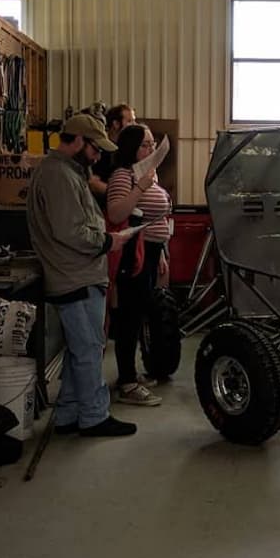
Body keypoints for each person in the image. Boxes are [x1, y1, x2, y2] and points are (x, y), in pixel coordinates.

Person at [26, 112, 138, 438]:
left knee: (81, 348)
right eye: (94, 148)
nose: (99, 155)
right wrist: (108, 241)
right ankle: (93, 416)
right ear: (76, 140)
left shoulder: (69, 172)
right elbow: (70, 230)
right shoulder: (58, 176)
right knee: (89, 349)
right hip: (74, 275)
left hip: (80, 273)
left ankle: (69, 414)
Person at [105, 124, 173, 405]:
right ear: (131, 148)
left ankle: (130, 374)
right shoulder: (124, 175)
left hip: (152, 252)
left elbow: (157, 219)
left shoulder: (147, 174)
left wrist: (163, 254)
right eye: (145, 144)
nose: (151, 148)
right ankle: (127, 382)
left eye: (153, 143)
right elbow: (116, 211)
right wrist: (141, 186)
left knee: (139, 312)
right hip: (134, 253)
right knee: (129, 316)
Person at [89, 103, 137, 201]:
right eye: (129, 121)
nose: (134, 125)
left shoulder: (127, 151)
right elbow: (93, 183)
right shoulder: (102, 150)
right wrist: (120, 195)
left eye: (134, 121)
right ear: (116, 124)